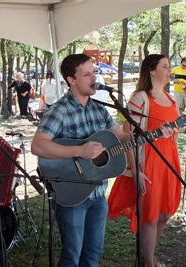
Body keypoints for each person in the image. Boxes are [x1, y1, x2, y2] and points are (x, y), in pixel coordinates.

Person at [31, 54, 134, 266]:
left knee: (93, 253)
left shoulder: (100, 109)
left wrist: (143, 132)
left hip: (98, 194)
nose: (93, 78)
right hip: (72, 194)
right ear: (71, 80)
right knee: (72, 254)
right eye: (87, 74)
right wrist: (79, 151)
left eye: (94, 72)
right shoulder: (59, 111)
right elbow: (38, 145)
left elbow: (121, 138)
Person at [108, 54, 180, 267]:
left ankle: (147, 256)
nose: (170, 70)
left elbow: (174, 129)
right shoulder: (140, 98)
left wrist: (174, 132)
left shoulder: (171, 98)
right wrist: (134, 170)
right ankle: (148, 261)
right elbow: (128, 135)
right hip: (149, 160)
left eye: (169, 66)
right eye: (165, 66)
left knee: (165, 212)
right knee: (150, 213)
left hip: (169, 159)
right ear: (151, 70)